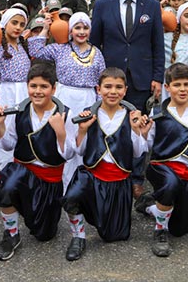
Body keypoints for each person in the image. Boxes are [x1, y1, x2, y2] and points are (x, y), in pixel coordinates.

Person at [90, 0, 165, 199]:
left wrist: (157, 77)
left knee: (137, 129)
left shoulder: (151, 6)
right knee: (109, 128)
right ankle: (111, 172)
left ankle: (136, 178)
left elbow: (157, 44)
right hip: (111, 80)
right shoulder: (102, 5)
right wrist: (98, 79)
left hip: (142, 80)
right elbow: (94, 44)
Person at [0, 62, 76, 260]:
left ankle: (32, 213)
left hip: (50, 181)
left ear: (54, 89)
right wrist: (0, 126)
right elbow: (8, 145)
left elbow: (69, 155)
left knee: (44, 235)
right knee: (9, 185)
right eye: (33, 86)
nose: (37, 91)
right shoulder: (18, 111)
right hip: (22, 172)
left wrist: (60, 132)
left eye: (44, 87)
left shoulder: (65, 114)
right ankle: (11, 234)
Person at [61, 67, 145, 260]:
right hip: (92, 176)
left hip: (119, 182)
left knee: (114, 236)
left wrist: (136, 130)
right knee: (71, 197)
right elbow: (79, 151)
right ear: (98, 89)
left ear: (125, 90)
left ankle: (147, 206)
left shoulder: (131, 116)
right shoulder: (89, 114)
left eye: (118, 87)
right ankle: (78, 236)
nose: (112, 92)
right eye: (107, 86)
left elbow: (139, 152)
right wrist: (82, 131)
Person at [135, 63, 188, 257]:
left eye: (187, 85)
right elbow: (145, 148)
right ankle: (159, 231)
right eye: (177, 85)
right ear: (167, 87)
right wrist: (143, 134)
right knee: (170, 184)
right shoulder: (158, 114)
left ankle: (150, 206)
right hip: (160, 168)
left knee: (180, 230)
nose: (182, 89)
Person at [29, 12, 106, 189]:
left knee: (82, 139)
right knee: (61, 137)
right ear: (70, 30)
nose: (81, 32)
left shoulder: (97, 53)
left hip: (87, 98)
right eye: (77, 28)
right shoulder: (60, 48)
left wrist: (99, 105)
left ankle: (79, 185)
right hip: (64, 98)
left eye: (85, 28)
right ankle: (59, 183)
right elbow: (35, 51)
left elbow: (102, 81)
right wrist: (46, 30)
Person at [0, 8, 32, 171]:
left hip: (23, 93)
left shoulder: (22, 46)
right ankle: (6, 174)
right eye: (14, 23)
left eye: (22, 24)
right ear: (5, 24)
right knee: (5, 132)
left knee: (23, 132)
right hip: (5, 93)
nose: (18, 27)